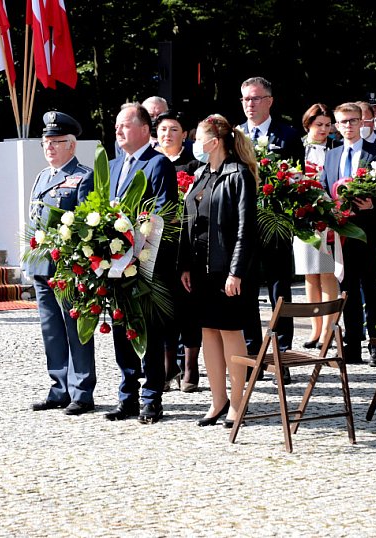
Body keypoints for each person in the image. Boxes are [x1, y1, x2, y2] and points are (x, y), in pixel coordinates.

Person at [177, 114, 257, 428]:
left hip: (225, 269)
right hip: (199, 268)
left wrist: (235, 272)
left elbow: (244, 229)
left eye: (199, 138)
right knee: (208, 332)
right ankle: (218, 399)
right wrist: (184, 264)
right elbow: (189, 223)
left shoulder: (239, 175)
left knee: (230, 331)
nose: (195, 144)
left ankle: (238, 401)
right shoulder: (200, 174)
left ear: (214, 141)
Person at [106, 102, 178, 424]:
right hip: (115, 267)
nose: (118, 130)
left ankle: (152, 397)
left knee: (149, 334)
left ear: (145, 129)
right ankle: (128, 397)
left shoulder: (158, 164)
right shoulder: (111, 166)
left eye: (125, 125)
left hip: (146, 267)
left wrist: (135, 248)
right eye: (117, 125)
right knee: (122, 331)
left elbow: (163, 214)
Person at [24, 111, 96, 416]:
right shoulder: (43, 176)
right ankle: (59, 388)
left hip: (68, 267)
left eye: (57, 142)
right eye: (46, 142)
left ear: (72, 145)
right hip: (43, 265)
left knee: (74, 329)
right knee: (51, 330)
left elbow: (85, 226)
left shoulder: (82, 176)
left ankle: (83, 391)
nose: (50, 147)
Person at [319, 102, 376, 366]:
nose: (348, 126)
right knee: (346, 290)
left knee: (372, 289)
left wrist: (375, 204)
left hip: (369, 231)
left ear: (362, 122)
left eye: (352, 121)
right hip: (342, 234)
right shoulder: (332, 155)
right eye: (342, 122)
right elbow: (324, 189)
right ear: (336, 126)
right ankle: (352, 346)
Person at [239, 76, 302, 384]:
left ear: (269, 101)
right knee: (246, 289)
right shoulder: (235, 135)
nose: (250, 104)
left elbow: (298, 178)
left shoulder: (288, 135)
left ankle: (281, 352)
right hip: (244, 226)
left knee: (280, 289)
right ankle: (252, 352)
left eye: (255, 98)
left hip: (276, 224)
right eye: (245, 99)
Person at [153, 109, 202, 392]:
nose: (167, 134)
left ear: (184, 134)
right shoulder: (153, 163)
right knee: (165, 309)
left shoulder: (194, 165)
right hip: (160, 246)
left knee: (189, 308)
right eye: (162, 129)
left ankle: (191, 366)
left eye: (173, 130)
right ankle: (168, 364)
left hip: (189, 244)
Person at [294, 103, 339, 349]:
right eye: (318, 124)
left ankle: (329, 329)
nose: (324, 129)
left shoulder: (336, 148)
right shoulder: (299, 147)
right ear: (308, 124)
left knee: (327, 272)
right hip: (303, 215)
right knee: (309, 273)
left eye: (327, 125)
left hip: (328, 214)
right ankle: (315, 327)